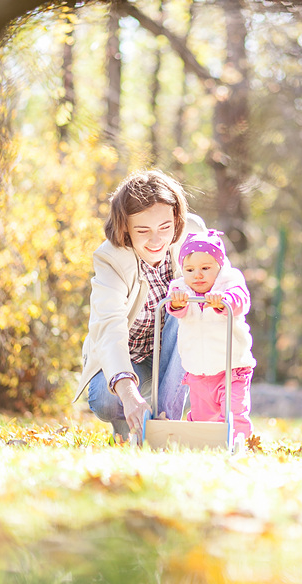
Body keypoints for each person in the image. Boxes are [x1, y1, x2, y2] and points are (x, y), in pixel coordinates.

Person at [72, 170, 206, 439]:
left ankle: (167, 424)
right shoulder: (110, 258)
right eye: (143, 231)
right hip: (130, 358)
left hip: (175, 355)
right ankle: (129, 426)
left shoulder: (193, 235)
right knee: (106, 399)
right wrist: (129, 395)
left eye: (165, 228)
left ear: (177, 220)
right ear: (126, 229)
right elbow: (109, 329)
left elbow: (220, 284)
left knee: (190, 306)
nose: (156, 241)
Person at [166, 230, 255, 440]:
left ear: (220, 266)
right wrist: (177, 302)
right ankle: (202, 444)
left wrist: (225, 300)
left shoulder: (229, 281)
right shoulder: (180, 287)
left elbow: (241, 301)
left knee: (233, 411)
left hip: (232, 368)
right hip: (199, 370)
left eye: (206, 268)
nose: (198, 274)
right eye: (190, 269)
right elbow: (175, 307)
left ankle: (238, 443)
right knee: (202, 417)